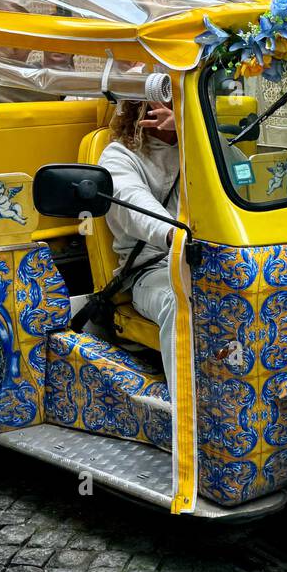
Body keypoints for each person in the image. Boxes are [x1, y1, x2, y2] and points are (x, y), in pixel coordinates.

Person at [98, 99, 181, 384]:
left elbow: (242, 178)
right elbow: (134, 204)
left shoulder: (199, 148)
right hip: (153, 270)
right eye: (168, 95)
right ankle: (186, 415)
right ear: (140, 106)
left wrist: (189, 131)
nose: (174, 104)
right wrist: (174, 235)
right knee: (180, 301)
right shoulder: (118, 156)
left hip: (213, 260)